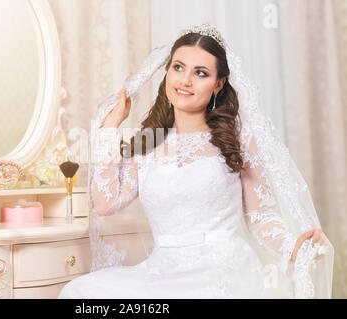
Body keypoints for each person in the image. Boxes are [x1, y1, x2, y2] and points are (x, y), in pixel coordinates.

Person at [58, 23, 333, 299]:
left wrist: (294, 248)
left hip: (221, 272)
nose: (185, 80)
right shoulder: (147, 144)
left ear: (218, 84)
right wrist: (110, 126)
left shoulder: (236, 137)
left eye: (200, 73)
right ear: (167, 72)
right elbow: (105, 203)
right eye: (178, 67)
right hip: (162, 272)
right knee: (79, 293)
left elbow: (261, 217)